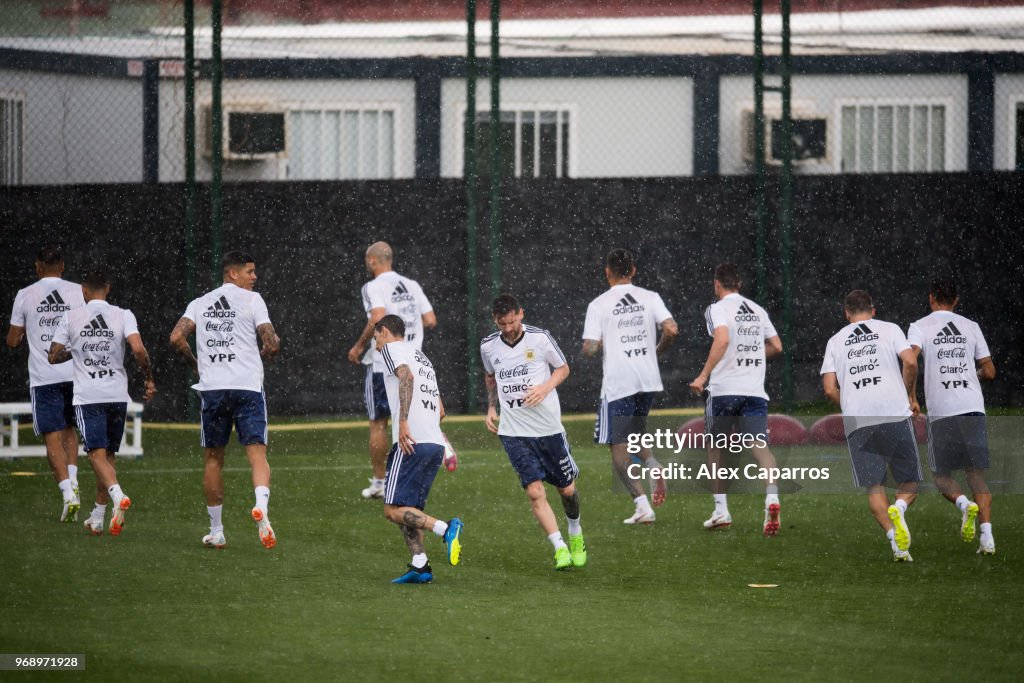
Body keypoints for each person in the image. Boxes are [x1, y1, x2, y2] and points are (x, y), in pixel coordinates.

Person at [169, 250, 281, 549]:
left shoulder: (200, 302)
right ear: (233, 273)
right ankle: (262, 508)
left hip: (214, 388)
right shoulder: (253, 300)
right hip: (247, 387)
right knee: (257, 454)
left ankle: (216, 530)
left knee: (214, 458)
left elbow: (176, 338)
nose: (254, 277)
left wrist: (197, 365)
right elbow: (272, 341)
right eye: (250, 271)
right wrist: (265, 353)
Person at [48, 269, 156, 536]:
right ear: (107, 288)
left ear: (84, 291)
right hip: (117, 395)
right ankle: (97, 516)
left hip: (89, 396)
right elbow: (139, 350)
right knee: (108, 455)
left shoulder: (71, 317)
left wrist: (77, 349)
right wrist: (149, 378)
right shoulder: (123, 314)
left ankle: (118, 495)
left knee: (95, 455)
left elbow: (53, 355)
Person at [482, 294, 585, 570]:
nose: (507, 327)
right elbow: (490, 376)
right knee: (535, 492)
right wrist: (492, 408)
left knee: (567, 489)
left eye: (512, 321)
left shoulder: (540, 338)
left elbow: (563, 368)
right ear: (495, 320)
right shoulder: (488, 346)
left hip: (547, 427)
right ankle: (560, 547)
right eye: (502, 323)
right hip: (513, 431)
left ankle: (575, 532)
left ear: (521, 314)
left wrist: (544, 388)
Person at [821, 290, 921, 562]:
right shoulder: (890, 330)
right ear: (873, 310)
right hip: (893, 414)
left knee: (874, 486)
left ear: (846, 314)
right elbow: (910, 360)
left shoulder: (835, 341)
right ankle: (899, 508)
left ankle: (897, 545)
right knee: (910, 481)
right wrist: (910, 395)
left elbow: (829, 388)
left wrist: (851, 406)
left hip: (859, 421)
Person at [582, 248, 678, 524]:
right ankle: (653, 464)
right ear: (633, 270)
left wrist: (594, 345)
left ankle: (642, 506)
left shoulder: (599, 304)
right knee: (635, 432)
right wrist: (656, 350)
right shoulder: (651, 297)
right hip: (647, 379)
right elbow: (671, 328)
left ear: (607, 272)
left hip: (619, 381)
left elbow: (589, 348)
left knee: (618, 447)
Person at [688, 263, 784, 535]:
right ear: (739, 284)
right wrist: (749, 358)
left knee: (715, 448)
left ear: (717, 284)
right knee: (760, 448)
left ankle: (721, 511)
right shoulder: (758, 310)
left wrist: (703, 376)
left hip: (723, 390)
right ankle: (772, 497)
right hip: (754, 391)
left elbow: (722, 338)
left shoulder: (716, 308)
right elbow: (777, 346)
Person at [908, 280, 997, 555]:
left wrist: (910, 396)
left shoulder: (920, 326)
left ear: (931, 298)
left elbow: (911, 360)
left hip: (942, 410)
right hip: (972, 407)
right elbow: (990, 372)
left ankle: (963, 504)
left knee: (941, 476)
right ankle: (987, 538)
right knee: (975, 475)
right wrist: (971, 376)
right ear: (956, 300)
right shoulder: (971, 326)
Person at [373, 315, 463, 584]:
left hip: (410, 441)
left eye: (376, 336)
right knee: (408, 509)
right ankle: (420, 565)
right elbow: (441, 410)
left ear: (386, 332)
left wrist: (402, 422)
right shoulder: (422, 356)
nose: (376, 343)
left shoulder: (391, 350)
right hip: (433, 443)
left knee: (391, 510)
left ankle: (445, 528)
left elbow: (406, 376)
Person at [346, 242, 437, 500]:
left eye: (367, 260)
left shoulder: (373, 286)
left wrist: (359, 345)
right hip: (412, 364)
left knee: (378, 424)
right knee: (409, 419)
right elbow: (430, 320)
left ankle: (380, 482)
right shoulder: (412, 285)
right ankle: (409, 477)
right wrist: (409, 333)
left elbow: (377, 316)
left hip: (383, 364)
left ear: (373, 261)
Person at [7, 245, 85, 522]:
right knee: (70, 430)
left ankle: (67, 493)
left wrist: (32, 327)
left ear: (38, 266)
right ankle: (74, 480)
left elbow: (13, 341)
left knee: (52, 437)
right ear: (62, 266)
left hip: (44, 377)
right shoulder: (78, 291)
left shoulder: (25, 295)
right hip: (74, 373)